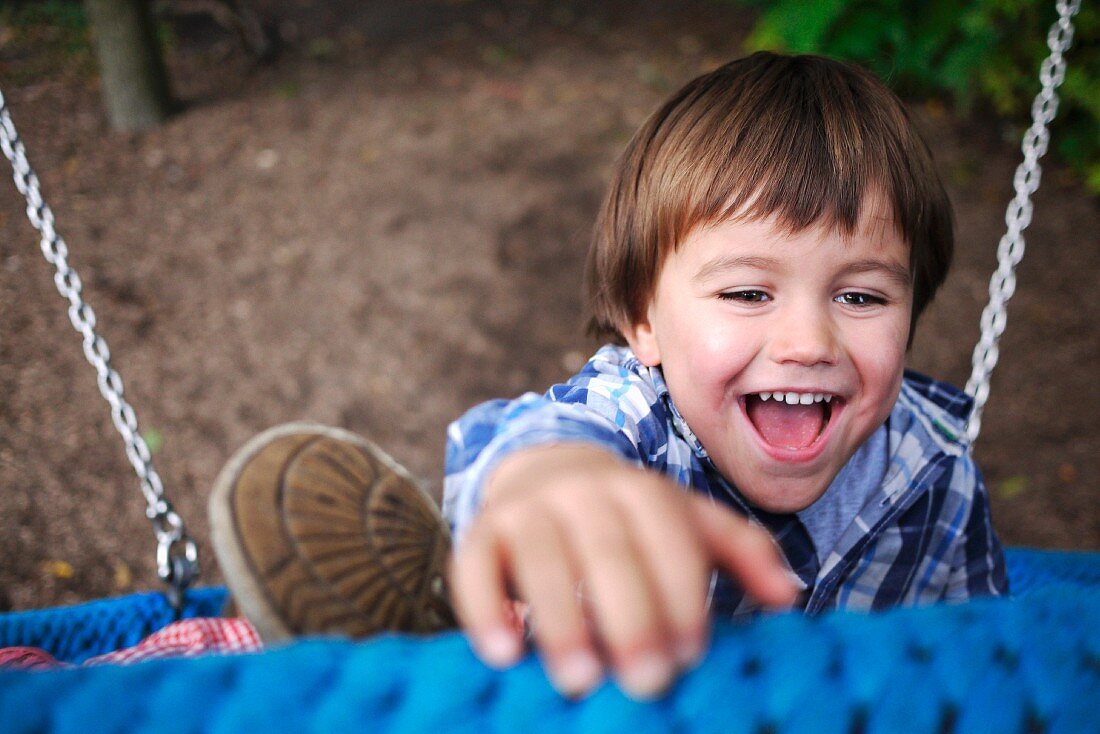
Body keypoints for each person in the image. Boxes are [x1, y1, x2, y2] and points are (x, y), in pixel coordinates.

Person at [207, 51, 1007, 704]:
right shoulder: (633, 419)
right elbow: (540, 437)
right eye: (747, 292)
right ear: (643, 321)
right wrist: (547, 479)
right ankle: (436, 620)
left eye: (862, 295)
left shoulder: (934, 475)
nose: (808, 340)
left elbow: (994, 658)